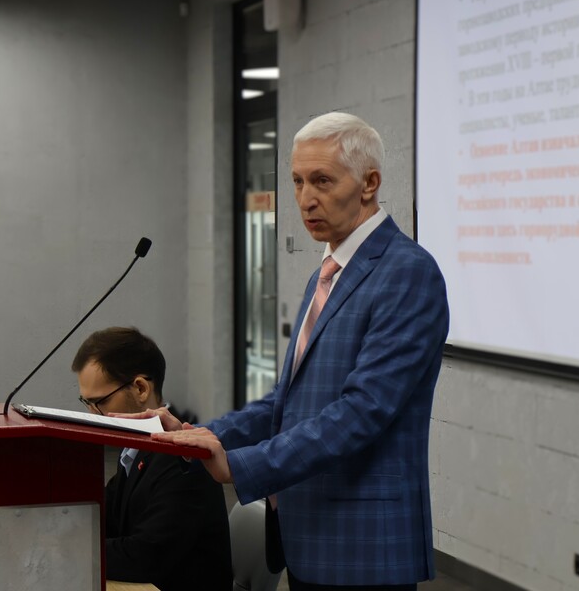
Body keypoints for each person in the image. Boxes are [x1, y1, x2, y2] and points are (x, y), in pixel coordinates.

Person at [141, 112, 450, 590]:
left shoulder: (407, 272)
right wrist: (201, 435)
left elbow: (362, 412)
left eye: (322, 181)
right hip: (308, 535)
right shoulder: (327, 272)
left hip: (363, 546)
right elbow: (286, 402)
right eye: (298, 181)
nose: (306, 198)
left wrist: (241, 465)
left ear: (369, 184)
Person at [71, 326, 232, 591]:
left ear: (140, 388)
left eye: (99, 402)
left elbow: (145, 556)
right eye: (86, 402)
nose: (93, 414)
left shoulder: (182, 459)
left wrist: (70, 548)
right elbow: (106, 516)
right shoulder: (135, 448)